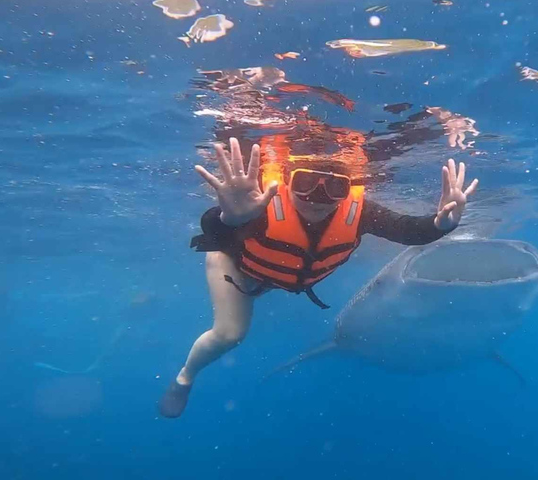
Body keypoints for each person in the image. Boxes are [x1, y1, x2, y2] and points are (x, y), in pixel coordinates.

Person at [159, 137, 479, 418]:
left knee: (257, 296)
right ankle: (185, 376)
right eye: (305, 183)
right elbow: (213, 229)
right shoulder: (262, 205)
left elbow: (408, 230)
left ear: (348, 189)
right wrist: (231, 217)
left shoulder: (358, 213)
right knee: (230, 334)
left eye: (334, 188)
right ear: (287, 181)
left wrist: (441, 225)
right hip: (236, 266)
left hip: (278, 274)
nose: (317, 197)